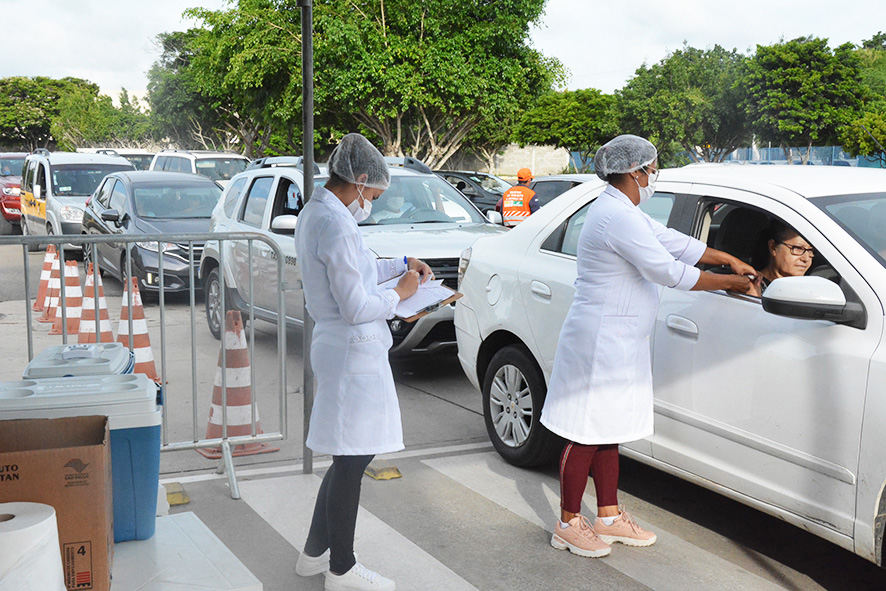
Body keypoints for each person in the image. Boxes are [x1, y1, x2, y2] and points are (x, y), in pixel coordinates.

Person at [540, 135, 754, 559]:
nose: (653, 176)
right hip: (598, 343)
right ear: (635, 171)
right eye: (652, 169)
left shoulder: (626, 211)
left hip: (621, 341)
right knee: (585, 432)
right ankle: (567, 523)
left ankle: (608, 516)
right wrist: (733, 283)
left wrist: (726, 259)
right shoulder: (614, 216)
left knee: (610, 430)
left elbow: (674, 241)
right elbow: (666, 269)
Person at [293, 133, 433, 591]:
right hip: (350, 346)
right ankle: (343, 568)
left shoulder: (321, 211)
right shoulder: (334, 222)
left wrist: (399, 265)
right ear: (359, 180)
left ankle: (315, 553)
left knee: (348, 453)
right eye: (372, 195)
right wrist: (402, 295)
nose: (371, 202)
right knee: (352, 459)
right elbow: (355, 304)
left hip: (343, 348)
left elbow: (356, 268)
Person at [749, 220, 814, 296]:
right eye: (798, 248)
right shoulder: (752, 288)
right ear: (773, 247)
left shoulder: (810, 290)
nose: (806, 259)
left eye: (810, 250)